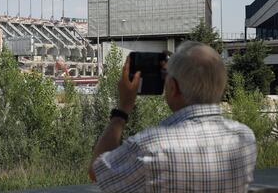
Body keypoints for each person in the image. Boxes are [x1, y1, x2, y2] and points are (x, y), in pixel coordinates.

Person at [88, 41, 257, 192]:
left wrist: (122, 110)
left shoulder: (150, 146)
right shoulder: (244, 138)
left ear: (172, 87)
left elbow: (98, 172)